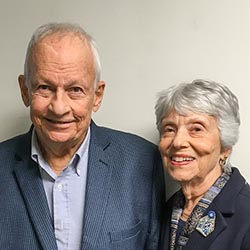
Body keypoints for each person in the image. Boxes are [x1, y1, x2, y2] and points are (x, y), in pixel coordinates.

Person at [0, 22, 165, 250]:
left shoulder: (142, 162)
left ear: (97, 95)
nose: (59, 108)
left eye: (75, 90)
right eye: (44, 88)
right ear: (25, 90)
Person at [155, 79, 250, 250]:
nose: (178, 142)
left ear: (225, 148)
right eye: (169, 129)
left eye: (196, 129)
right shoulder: (168, 208)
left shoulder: (246, 213)